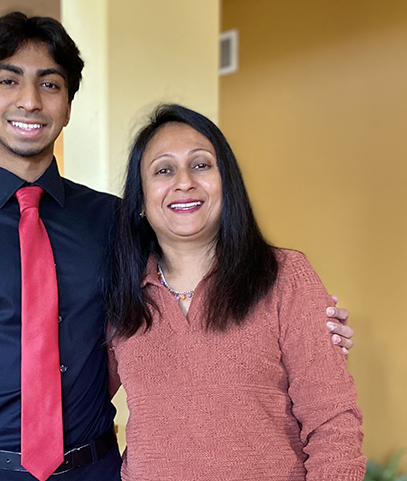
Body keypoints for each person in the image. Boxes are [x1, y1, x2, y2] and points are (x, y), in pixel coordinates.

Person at [0, 12, 354, 481]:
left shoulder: (116, 221)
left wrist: (309, 326)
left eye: (50, 84)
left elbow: (193, 279)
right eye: (8, 81)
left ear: (68, 106)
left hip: (96, 470)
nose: (30, 101)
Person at [105, 104, 365, 479]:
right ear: (140, 200)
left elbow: (333, 424)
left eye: (201, 165)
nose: (184, 182)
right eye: (163, 170)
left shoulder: (285, 277)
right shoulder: (124, 293)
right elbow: (78, 398)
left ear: (227, 182)